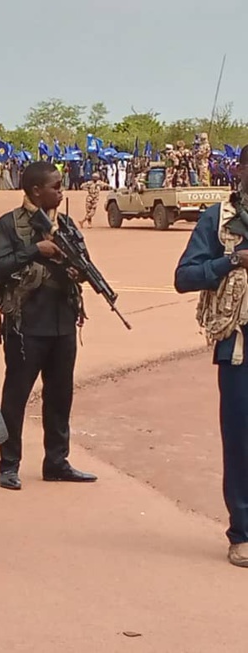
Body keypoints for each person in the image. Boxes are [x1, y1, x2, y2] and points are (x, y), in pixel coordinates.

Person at [0, 161, 97, 492]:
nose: (61, 191)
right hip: (25, 325)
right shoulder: (10, 224)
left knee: (60, 395)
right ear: (36, 190)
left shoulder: (66, 224)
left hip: (62, 323)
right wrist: (36, 250)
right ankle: (9, 464)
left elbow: (85, 264)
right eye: (56, 186)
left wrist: (79, 272)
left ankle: (56, 462)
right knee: (17, 396)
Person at [175, 146, 248, 567]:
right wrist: (233, 259)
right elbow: (185, 277)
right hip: (239, 348)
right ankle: (242, 532)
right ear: (240, 171)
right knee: (240, 442)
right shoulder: (218, 220)